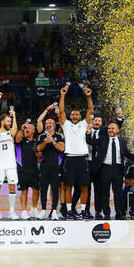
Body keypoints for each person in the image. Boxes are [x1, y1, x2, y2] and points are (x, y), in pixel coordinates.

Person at [58, 85, 94, 219]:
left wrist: (88, 96)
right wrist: (62, 95)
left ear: (80, 116)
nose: (74, 115)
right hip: (70, 159)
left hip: (82, 159)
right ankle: (68, 211)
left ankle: (84, 210)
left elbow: (90, 110)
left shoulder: (84, 124)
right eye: (72, 114)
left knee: (84, 186)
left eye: (77, 114)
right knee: (68, 186)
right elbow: (61, 111)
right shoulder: (66, 125)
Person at [89, 122, 134, 219]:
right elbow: (91, 142)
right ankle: (106, 213)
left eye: (113, 128)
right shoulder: (103, 139)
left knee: (118, 193)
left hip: (118, 169)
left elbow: (127, 153)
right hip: (105, 168)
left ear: (118, 130)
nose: (110, 130)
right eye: (109, 128)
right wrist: (88, 133)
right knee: (104, 192)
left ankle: (119, 213)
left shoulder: (122, 141)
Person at [0, 106, 20, 220]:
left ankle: (12, 211)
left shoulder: (11, 133)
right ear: (2, 122)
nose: (10, 123)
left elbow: (14, 130)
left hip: (10, 164)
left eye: (11, 121)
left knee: (12, 187)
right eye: (8, 121)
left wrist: (14, 116)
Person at [36, 118, 65, 219]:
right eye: (47, 123)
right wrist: (45, 141)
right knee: (43, 188)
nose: (48, 124)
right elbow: (38, 149)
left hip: (56, 167)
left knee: (55, 189)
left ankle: (53, 211)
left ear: (54, 125)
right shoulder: (41, 136)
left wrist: (52, 141)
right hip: (44, 166)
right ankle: (43, 210)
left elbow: (62, 148)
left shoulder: (59, 136)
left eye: (50, 123)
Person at [15, 121, 40, 219]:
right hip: (22, 170)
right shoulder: (21, 140)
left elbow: (39, 157)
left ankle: (34, 209)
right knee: (24, 191)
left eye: (29, 128)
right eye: (26, 128)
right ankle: (24, 211)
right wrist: (22, 128)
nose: (27, 129)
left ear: (33, 131)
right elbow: (17, 139)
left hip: (34, 170)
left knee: (36, 190)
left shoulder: (36, 143)